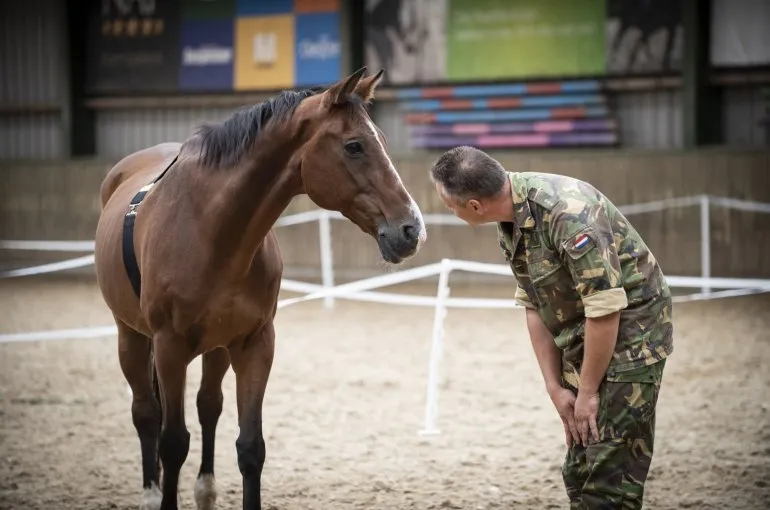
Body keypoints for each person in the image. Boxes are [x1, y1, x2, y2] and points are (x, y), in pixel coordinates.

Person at [428, 146, 673, 509]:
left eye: (450, 205)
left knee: (610, 479)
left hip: (632, 335)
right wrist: (555, 387)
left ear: (475, 206)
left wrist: (587, 392)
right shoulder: (510, 220)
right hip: (583, 335)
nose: (450, 211)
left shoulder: (568, 214)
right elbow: (533, 302)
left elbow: (605, 309)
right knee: (578, 467)